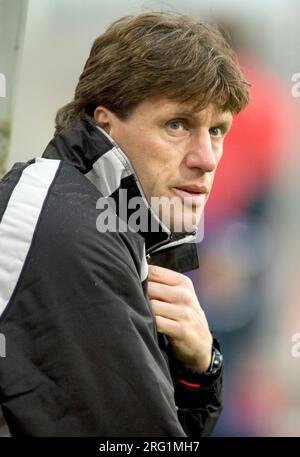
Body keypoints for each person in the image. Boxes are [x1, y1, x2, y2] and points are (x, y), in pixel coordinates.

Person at [0, 11, 249, 437]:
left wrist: (201, 371)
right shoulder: (70, 237)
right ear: (106, 123)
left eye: (217, 130)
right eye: (177, 125)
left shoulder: (96, 218)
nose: (206, 159)